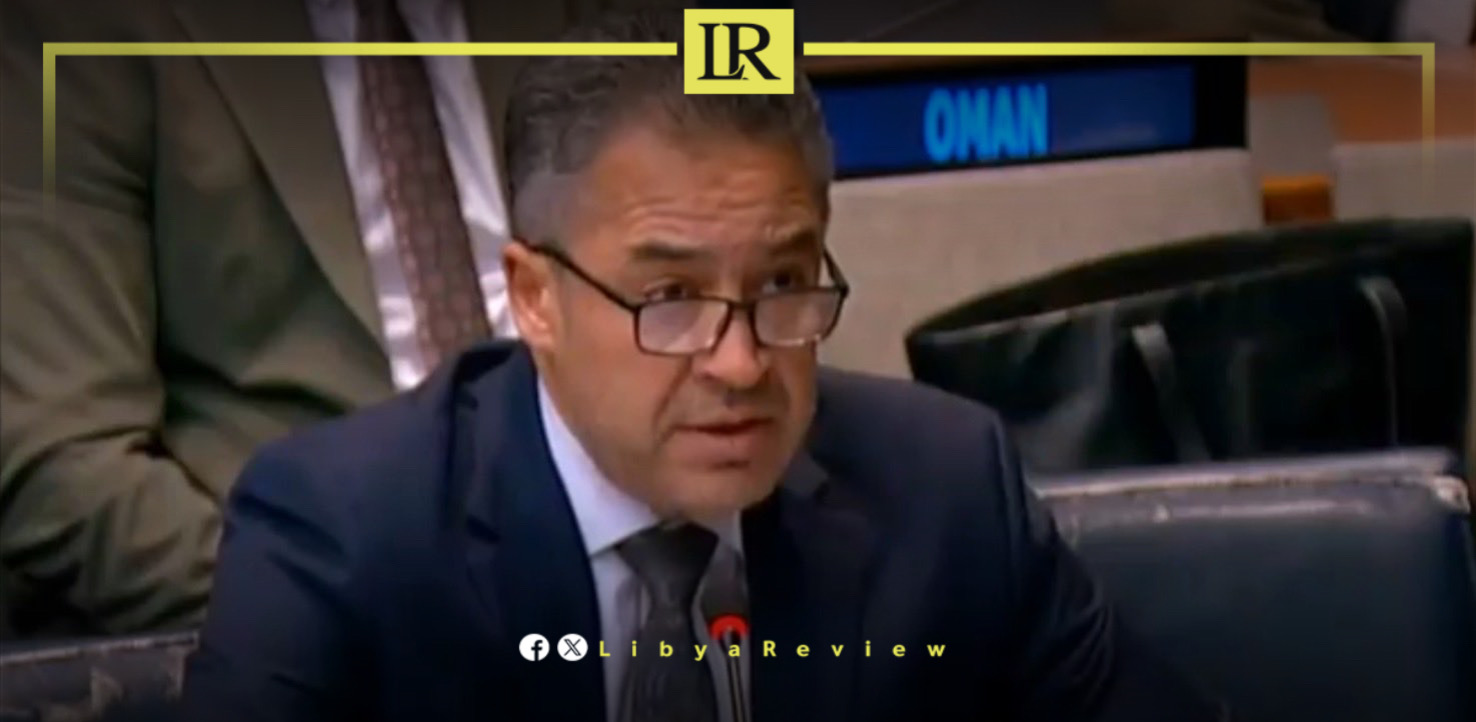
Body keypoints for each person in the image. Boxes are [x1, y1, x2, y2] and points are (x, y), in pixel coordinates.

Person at [182, 11, 1226, 722]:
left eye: (784, 282)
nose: (740, 361)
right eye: (671, 297)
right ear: (535, 297)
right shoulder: (345, 534)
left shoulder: (947, 489)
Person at [0, 0, 689, 637]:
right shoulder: (75, 30)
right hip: (313, 629)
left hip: (655, 583)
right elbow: (63, 466)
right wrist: (354, 626)